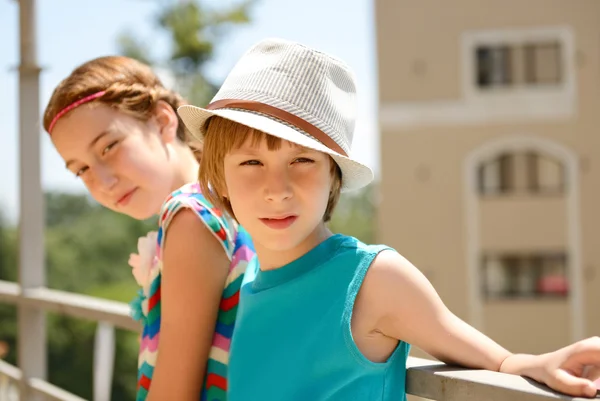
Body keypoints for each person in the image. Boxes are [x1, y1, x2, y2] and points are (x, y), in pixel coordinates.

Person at [177, 38, 600, 400]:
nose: (278, 187)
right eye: (252, 162)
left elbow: (499, 360)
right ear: (220, 178)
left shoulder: (373, 278)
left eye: (302, 159)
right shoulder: (250, 278)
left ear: (333, 178)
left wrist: (543, 364)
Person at [43, 56, 255, 401]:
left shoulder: (190, 214)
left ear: (161, 121)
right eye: (81, 170)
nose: (104, 182)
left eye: (109, 147)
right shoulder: (224, 197)